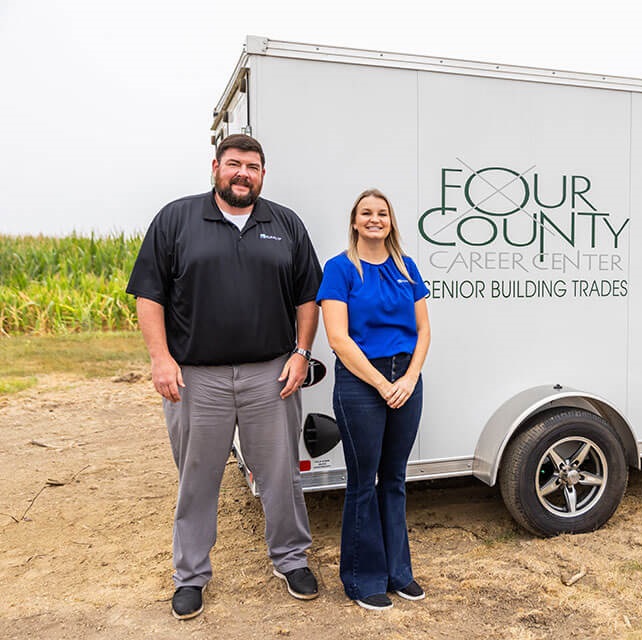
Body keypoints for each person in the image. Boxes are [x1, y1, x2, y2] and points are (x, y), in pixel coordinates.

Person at [126, 134, 322, 620]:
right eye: (234, 164)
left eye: (252, 167)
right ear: (216, 167)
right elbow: (148, 294)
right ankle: (190, 575)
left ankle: (290, 559)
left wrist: (301, 353)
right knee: (197, 480)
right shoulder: (177, 219)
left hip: (270, 376)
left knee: (280, 476)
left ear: (262, 174)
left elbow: (308, 298)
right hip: (196, 379)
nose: (243, 173)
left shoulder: (286, 224)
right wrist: (160, 359)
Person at [316, 188, 431, 611]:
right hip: (361, 384)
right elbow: (337, 339)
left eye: (382, 213)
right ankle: (363, 580)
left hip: (407, 379)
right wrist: (383, 385)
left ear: (390, 221)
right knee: (363, 482)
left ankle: (399, 573)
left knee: (395, 479)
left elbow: (424, 331)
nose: (374, 219)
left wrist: (410, 377)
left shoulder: (406, 267)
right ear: (354, 221)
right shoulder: (340, 269)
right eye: (367, 213)